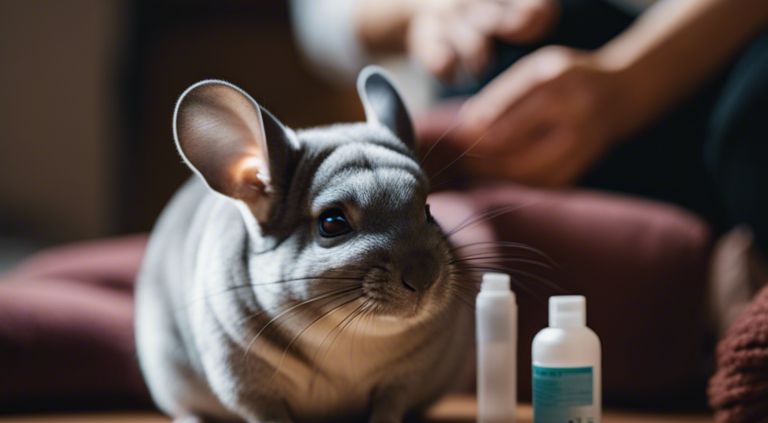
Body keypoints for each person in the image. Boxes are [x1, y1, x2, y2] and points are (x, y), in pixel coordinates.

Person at [291, 0, 768, 328]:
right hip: (526, 69)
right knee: (501, 62)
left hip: (717, 44)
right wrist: (429, 8)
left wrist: (630, 81)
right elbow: (323, 20)